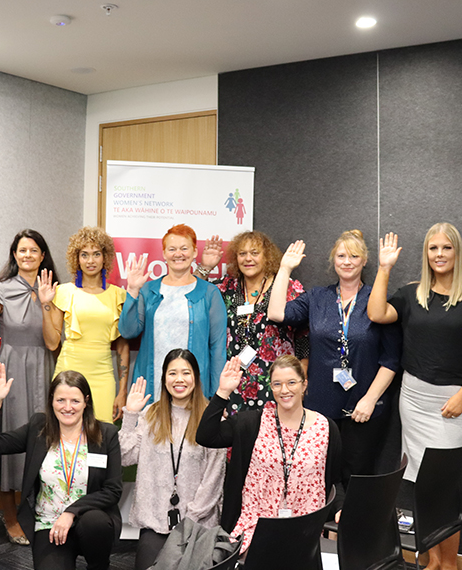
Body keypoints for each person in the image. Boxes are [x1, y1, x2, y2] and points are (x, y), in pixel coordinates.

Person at [367, 224, 462, 570]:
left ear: (457, 253)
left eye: (446, 248)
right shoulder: (413, 294)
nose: (439, 255)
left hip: (453, 402)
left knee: (444, 485)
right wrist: (384, 269)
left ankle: (450, 563)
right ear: (425, 254)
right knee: (422, 485)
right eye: (432, 248)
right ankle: (431, 561)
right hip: (413, 399)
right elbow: (376, 313)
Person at [267, 231, 401, 484]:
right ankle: (322, 524)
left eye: (354, 256)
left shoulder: (378, 300)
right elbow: (276, 313)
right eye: (341, 256)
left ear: (364, 261)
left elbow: (391, 360)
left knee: (357, 477)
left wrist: (370, 400)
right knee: (319, 476)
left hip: (363, 407)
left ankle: (353, 524)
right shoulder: (317, 298)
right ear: (333, 261)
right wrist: (284, 268)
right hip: (321, 405)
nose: (347, 261)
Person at [0, 366, 123, 570]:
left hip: (88, 521)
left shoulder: (105, 434)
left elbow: (113, 490)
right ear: (52, 401)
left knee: (95, 522)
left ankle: (98, 565)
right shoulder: (39, 428)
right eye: (60, 400)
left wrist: (71, 512)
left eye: (75, 401)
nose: (67, 407)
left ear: (86, 402)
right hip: (49, 524)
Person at [196, 355, 343, 552]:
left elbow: (336, 480)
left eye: (291, 382)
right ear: (271, 388)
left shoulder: (326, 428)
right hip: (255, 527)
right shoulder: (251, 424)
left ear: (304, 384)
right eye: (277, 384)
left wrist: (340, 508)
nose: (285, 390)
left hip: (305, 530)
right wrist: (223, 392)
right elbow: (206, 436)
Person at [0, 229, 61, 546]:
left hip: (43, 367)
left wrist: (46, 303)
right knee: (11, 438)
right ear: (14, 255)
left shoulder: (54, 289)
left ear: (43, 256)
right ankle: (10, 516)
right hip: (11, 368)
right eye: (21, 250)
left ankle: (42, 510)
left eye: (33, 250)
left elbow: (54, 342)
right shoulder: (1, 290)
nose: (27, 255)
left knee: (45, 438)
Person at [119, 350, 226, 570]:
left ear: (195, 377)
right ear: (164, 378)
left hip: (198, 524)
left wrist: (190, 521)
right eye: (172, 373)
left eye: (186, 373)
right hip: (155, 522)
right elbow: (125, 457)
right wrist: (130, 415)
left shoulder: (212, 419)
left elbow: (214, 481)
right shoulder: (150, 415)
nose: (179, 379)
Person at [198, 231, 308, 414]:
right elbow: (193, 296)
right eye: (242, 254)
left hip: (278, 385)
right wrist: (205, 267)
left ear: (267, 256)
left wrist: (301, 379)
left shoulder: (287, 288)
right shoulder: (227, 287)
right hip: (233, 384)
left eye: (255, 253)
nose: (248, 258)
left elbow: (304, 336)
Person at [120, 224, 227, 401]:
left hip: (194, 388)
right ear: (164, 254)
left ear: (194, 252)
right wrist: (132, 290)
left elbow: (217, 348)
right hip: (152, 387)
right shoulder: (148, 290)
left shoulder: (209, 293)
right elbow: (128, 331)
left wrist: (218, 396)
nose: (178, 254)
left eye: (184, 248)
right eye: (172, 249)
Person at [43, 226, 128, 422]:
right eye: (84, 255)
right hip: (69, 372)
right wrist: (45, 304)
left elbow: (122, 348)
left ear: (105, 257)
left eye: (96, 254)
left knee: (101, 436)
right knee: (65, 432)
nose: (90, 261)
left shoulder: (119, 295)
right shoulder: (63, 292)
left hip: (103, 375)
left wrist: (122, 390)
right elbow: (51, 343)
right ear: (76, 258)